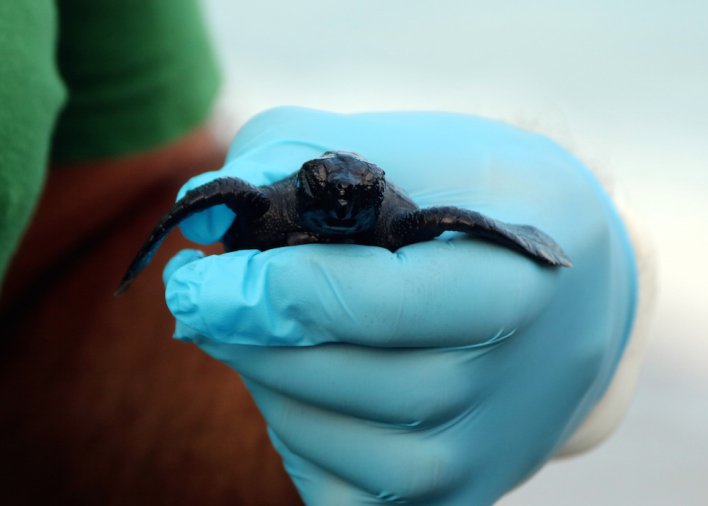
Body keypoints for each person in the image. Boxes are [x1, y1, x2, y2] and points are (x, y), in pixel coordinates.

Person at [0, 3, 653, 505]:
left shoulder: (394, 212)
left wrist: (562, 275)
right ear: (305, 185)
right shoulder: (272, 203)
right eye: (324, 189)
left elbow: (94, 223)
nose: (341, 201)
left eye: (357, 194)